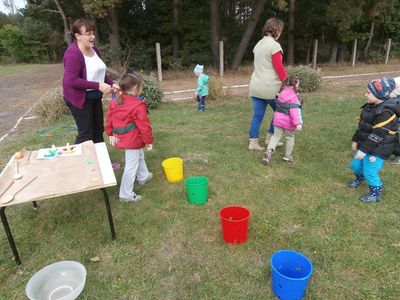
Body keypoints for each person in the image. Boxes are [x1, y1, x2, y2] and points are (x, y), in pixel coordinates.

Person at [348, 77, 400, 203]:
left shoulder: (386, 113)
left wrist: (363, 151)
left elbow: (377, 135)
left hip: (378, 149)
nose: (365, 94)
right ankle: (359, 178)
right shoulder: (369, 107)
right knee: (355, 165)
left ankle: (375, 193)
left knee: (370, 172)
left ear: (379, 95)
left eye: (368, 92)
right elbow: (362, 126)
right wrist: (355, 140)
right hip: (365, 145)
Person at [63, 18, 114, 144]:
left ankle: (101, 162)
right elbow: (72, 80)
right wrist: (98, 86)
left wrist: (112, 83)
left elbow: (100, 72)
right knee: (86, 133)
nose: (92, 37)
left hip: (94, 96)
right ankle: (80, 162)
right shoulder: (73, 54)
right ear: (77, 36)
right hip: (78, 98)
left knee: (98, 130)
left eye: (93, 33)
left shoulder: (94, 50)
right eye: (88, 34)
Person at [105, 70, 154, 202]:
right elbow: (144, 126)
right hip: (133, 140)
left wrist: (110, 133)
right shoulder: (138, 105)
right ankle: (125, 194)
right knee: (131, 167)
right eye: (141, 86)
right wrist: (148, 141)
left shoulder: (114, 102)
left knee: (139, 155)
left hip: (123, 138)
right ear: (136, 88)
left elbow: (109, 120)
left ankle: (143, 176)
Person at [248, 17, 287, 151]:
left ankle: (253, 143)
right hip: (270, 88)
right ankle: (270, 138)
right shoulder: (274, 46)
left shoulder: (258, 44)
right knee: (280, 111)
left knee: (257, 115)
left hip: (255, 86)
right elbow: (279, 68)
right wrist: (287, 83)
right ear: (277, 30)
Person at [262, 76, 303, 165]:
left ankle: (269, 152)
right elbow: (294, 111)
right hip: (289, 123)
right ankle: (287, 156)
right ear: (296, 85)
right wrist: (298, 123)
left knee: (275, 136)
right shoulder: (294, 97)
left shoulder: (281, 93)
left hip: (278, 120)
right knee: (290, 138)